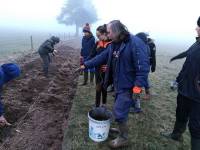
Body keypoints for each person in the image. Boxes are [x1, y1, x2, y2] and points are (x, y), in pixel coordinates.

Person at [80, 20, 149, 148]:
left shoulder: (135, 43)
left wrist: (137, 88)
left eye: (109, 32)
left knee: (118, 111)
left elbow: (143, 68)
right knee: (120, 110)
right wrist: (86, 65)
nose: (107, 34)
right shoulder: (114, 44)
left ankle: (124, 138)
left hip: (129, 86)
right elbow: (101, 57)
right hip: (119, 83)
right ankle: (121, 130)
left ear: (117, 31)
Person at [161, 16, 200, 150]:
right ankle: (176, 135)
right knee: (180, 114)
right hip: (184, 90)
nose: (196, 28)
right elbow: (187, 62)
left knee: (196, 126)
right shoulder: (197, 43)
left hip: (197, 96)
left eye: (199, 26)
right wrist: (178, 79)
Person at [87, 24, 111, 107]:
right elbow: (92, 54)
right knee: (98, 87)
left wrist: (109, 66)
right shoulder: (98, 43)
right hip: (98, 69)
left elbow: (116, 59)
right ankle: (97, 104)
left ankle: (104, 103)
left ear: (105, 33)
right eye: (96, 36)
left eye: (99, 35)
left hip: (107, 70)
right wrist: (85, 63)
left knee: (104, 87)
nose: (98, 37)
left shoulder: (112, 44)